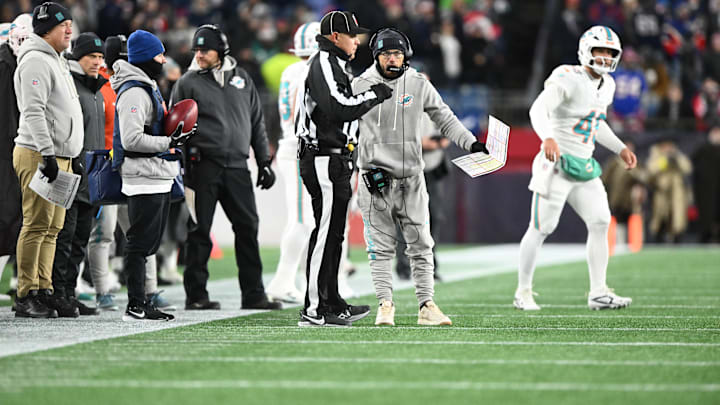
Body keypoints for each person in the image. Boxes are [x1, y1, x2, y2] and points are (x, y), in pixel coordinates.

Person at [352, 28, 488, 326]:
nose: (392, 58)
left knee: (422, 244)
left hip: (413, 177)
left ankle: (427, 305)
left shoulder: (417, 83)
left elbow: (445, 117)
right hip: (375, 179)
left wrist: (471, 142)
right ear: (376, 56)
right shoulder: (360, 84)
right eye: (386, 53)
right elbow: (346, 130)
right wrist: (360, 166)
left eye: (397, 53)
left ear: (406, 55)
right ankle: (385, 304)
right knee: (380, 246)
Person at [514, 25, 637, 311]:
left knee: (601, 222)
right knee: (542, 227)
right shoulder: (567, 77)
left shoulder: (608, 85)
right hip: (556, 164)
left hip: (584, 166)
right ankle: (523, 291)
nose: (605, 57)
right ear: (585, 51)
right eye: (600, 51)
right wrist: (547, 137)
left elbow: (594, 122)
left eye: (610, 52)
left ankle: (598, 292)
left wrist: (619, 147)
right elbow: (538, 109)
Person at [170, 24, 281, 311]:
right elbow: (175, 126)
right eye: (196, 50)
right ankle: (196, 295)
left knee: (248, 227)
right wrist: (182, 162)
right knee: (199, 231)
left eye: (204, 50)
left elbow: (256, 122)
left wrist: (264, 162)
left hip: (237, 166)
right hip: (201, 166)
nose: (199, 54)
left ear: (220, 51)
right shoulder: (187, 82)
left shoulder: (242, 78)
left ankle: (254, 293)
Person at [295, 11, 393, 326]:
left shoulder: (336, 64)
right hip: (322, 156)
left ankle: (332, 301)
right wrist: (374, 94)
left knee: (335, 234)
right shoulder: (323, 61)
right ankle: (313, 308)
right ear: (335, 36)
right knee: (325, 233)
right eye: (352, 36)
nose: (357, 41)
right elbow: (338, 107)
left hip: (336, 158)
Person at [111, 29, 193, 321]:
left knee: (149, 243)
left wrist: (175, 135)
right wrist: (169, 142)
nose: (162, 60)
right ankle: (135, 304)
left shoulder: (146, 84)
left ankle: (142, 301)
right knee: (139, 241)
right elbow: (131, 139)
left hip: (155, 172)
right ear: (146, 56)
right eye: (159, 54)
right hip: (142, 173)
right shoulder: (134, 90)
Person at [13, 2, 83, 319]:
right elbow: (33, 112)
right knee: (36, 224)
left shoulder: (57, 60)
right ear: (45, 30)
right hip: (39, 153)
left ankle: (44, 288)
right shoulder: (36, 62)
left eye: (70, 23)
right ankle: (26, 293)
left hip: (60, 155)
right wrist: (48, 153)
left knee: (53, 227)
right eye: (62, 25)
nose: (69, 29)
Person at [265, 22, 321, 305]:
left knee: (305, 221)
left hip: (292, 146)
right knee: (302, 220)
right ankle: (282, 281)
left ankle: (290, 280)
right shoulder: (309, 71)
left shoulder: (291, 70)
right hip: (300, 148)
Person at [0, 14, 30, 300]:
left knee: (20, 219)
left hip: (18, 148)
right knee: (8, 218)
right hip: (7, 150)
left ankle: (22, 282)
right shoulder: (5, 64)